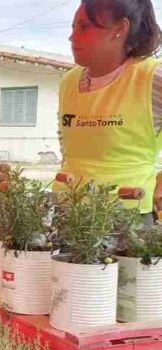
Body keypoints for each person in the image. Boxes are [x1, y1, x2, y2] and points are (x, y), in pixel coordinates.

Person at [59, 0, 162, 224]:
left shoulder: (152, 77)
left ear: (120, 28)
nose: (72, 37)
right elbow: (66, 144)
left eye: (84, 27)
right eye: (73, 27)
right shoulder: (69, 81)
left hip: (127, 214)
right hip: (69, 209)